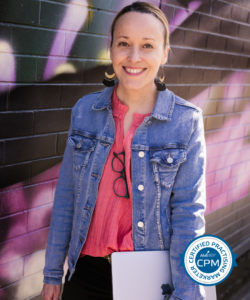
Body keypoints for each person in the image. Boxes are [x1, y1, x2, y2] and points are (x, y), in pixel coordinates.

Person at [41, 2, 207, 300]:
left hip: (149, 279)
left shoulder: (186, 121)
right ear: (111, 49)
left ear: (164, 54)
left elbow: (188, 215)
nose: (134, 57)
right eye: (124, 44)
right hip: (85, 273)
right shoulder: (85, 111)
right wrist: (53, 272)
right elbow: (67, 194)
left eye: (147, 46)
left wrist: (186, 294)